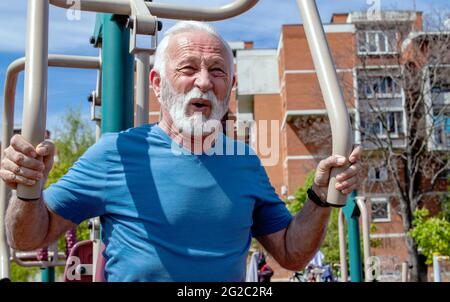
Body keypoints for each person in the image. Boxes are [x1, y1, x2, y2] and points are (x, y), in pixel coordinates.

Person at [0, 21, 363, 281]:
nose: (204, 82)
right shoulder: (117, 153)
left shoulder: (245, 162)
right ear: (157, 83)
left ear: (230, 86)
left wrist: (318, 199)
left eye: (217, 71)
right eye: (188, 68)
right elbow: (27, 237)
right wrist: (27, 190)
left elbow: (291, 253)